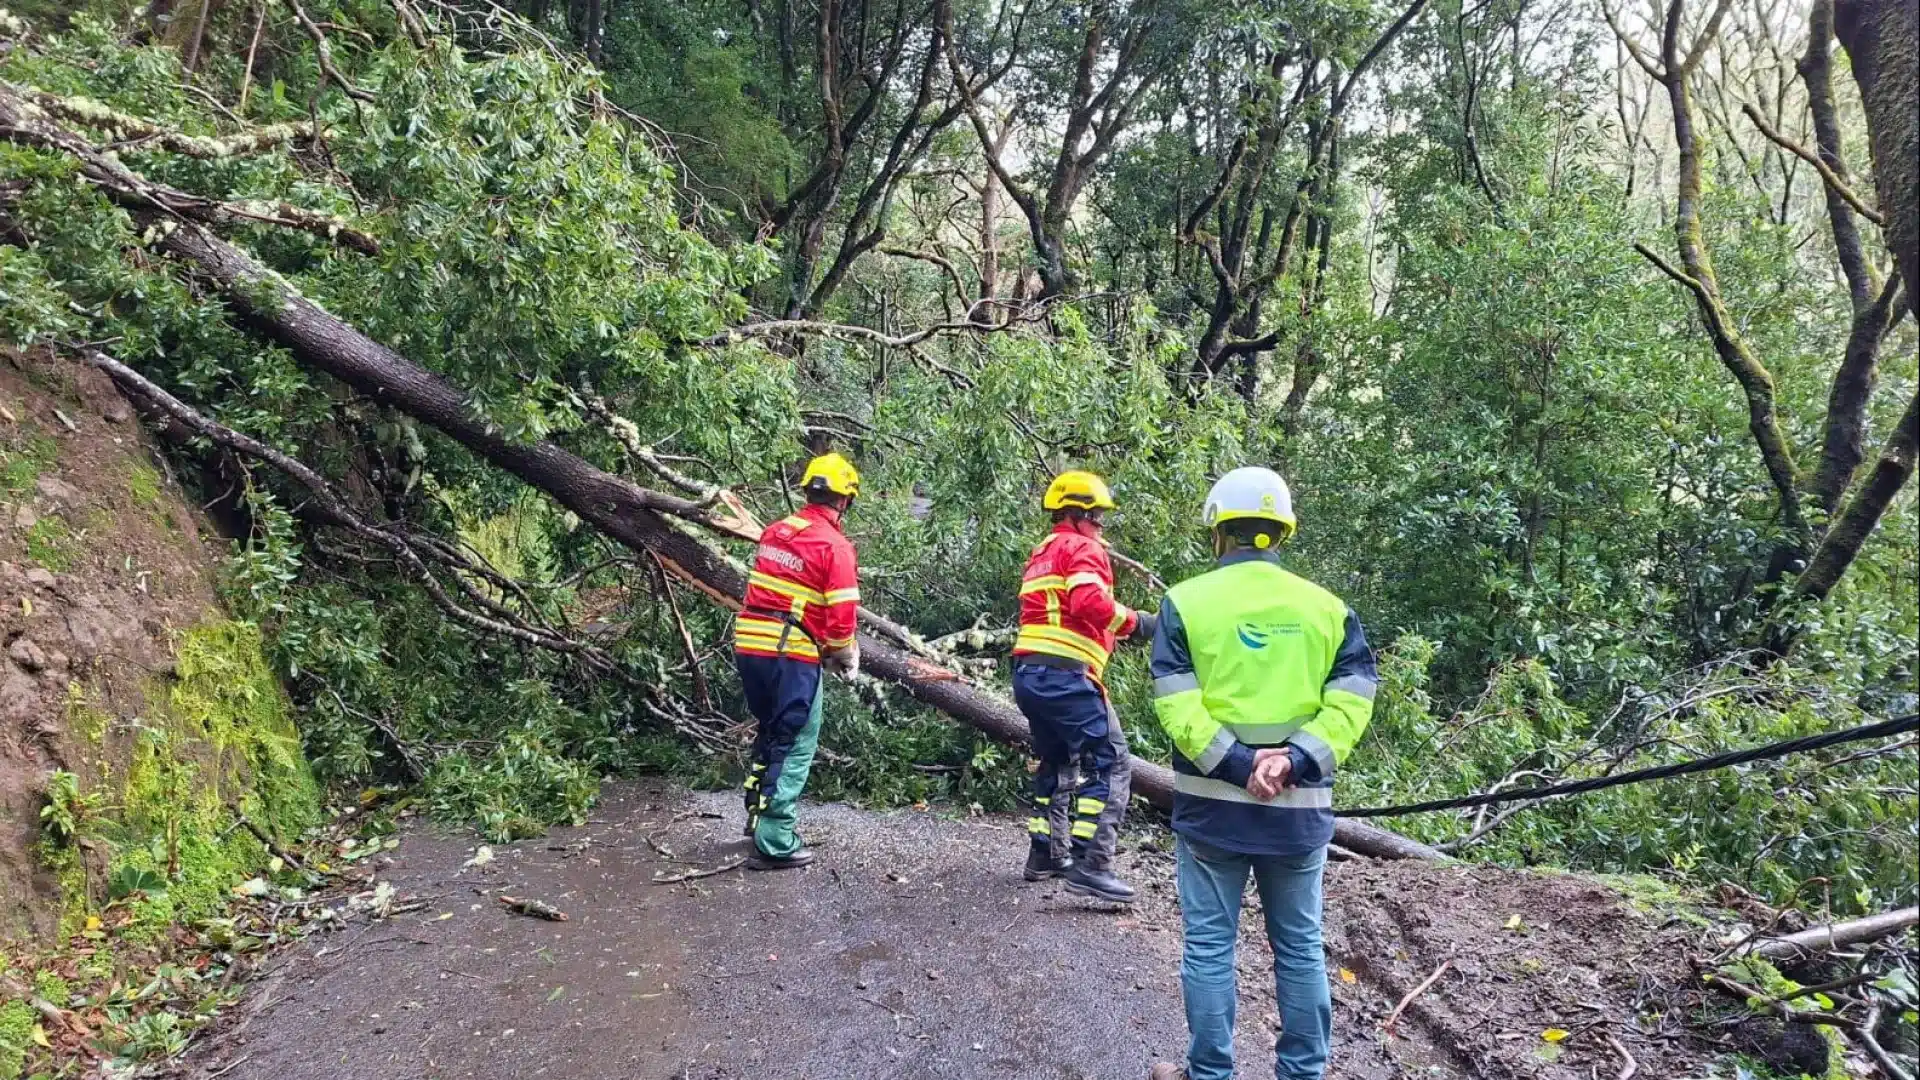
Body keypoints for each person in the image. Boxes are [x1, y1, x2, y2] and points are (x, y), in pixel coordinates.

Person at [1145, 466, 1377, 1080]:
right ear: (1282, 531)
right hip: (1297, 815)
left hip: (1211, 808)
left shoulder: (1185, 603)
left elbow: (1176, 700)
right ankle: (1302, 1073)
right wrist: (1294, 760)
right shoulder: (1327, 609)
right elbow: (1353, 698)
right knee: (1299, 947)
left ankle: (1209, 1073)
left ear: (1220, 530)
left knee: (1210, 946)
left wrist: (1240, 765)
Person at [1010, 470, 1156, 903]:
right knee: (1111, 762)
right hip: (1065, 675)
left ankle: (1047, 854)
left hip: (1030, 675)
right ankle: (1093, 863)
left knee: (1057, 764)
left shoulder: (1042, 552)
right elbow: (1088, 602)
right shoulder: (1082, 547)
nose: (1101, 527)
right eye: (1097, 518)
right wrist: (1140, 623)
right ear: (1077, 514)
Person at [733, 452, 863, 871]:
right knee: (796, 739)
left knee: (771, 731)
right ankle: (775, 839)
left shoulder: (777, 531)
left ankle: (756, 815)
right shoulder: (834, 545)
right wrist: (843, 653)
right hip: (790, 651)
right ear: (844, 500)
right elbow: (841, 616)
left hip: (750, 644)